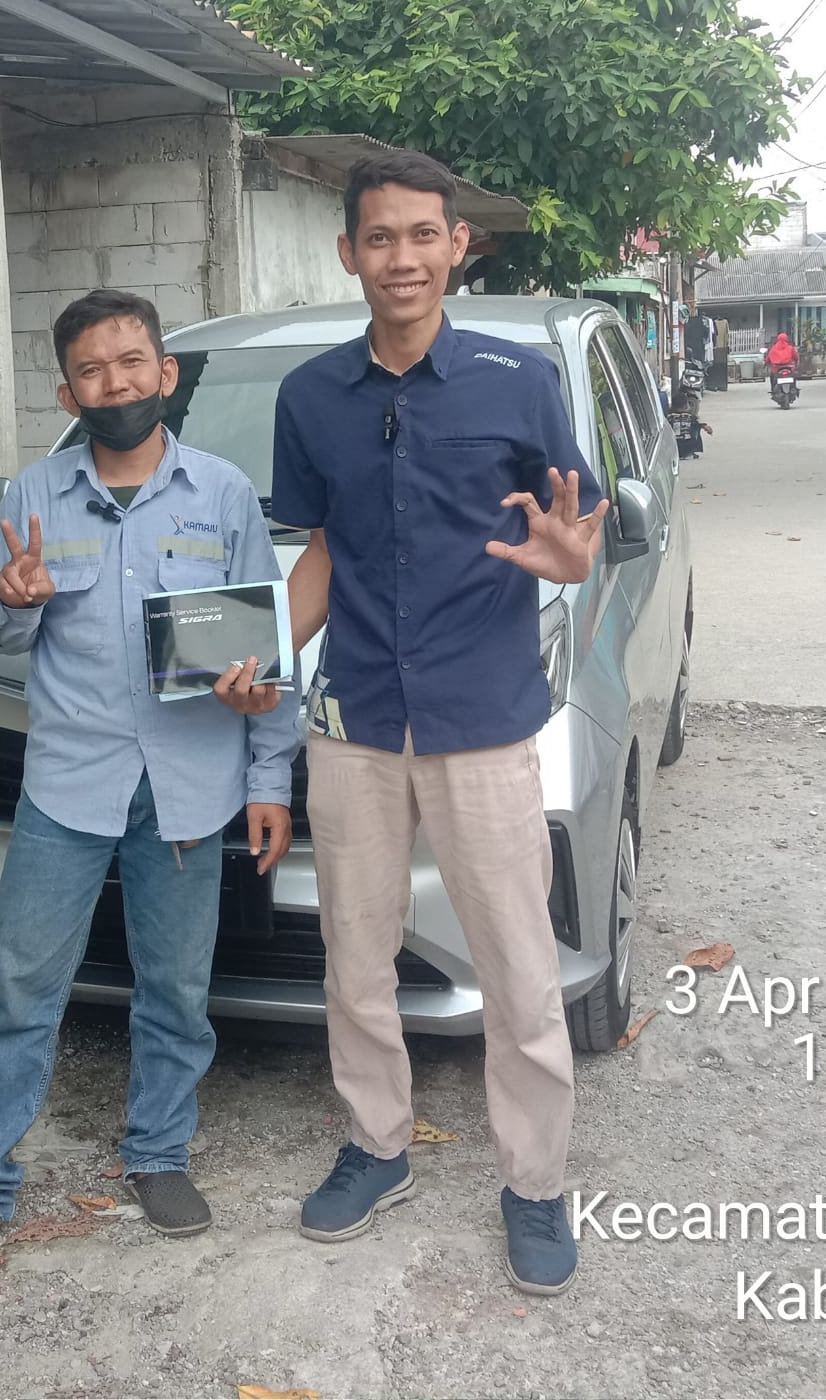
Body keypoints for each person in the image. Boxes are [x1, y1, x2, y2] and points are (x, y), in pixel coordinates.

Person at [233, 150, 608, 1297]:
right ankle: (376, 1144)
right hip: (353, 718)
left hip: (481, 717)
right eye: (379, 237)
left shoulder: (516, 381)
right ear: (349, 252)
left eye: (421, 235)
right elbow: (321, 550)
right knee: (356, 955)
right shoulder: (310, 397)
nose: (401, 257)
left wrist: (568, 558)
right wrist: (263, 652)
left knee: (517, 965)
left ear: (456, 246)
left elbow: (575, 524)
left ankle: (534, 1184)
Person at [0, 290, 299, 1283]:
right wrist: (12, 601)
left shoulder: (222, 495)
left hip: (189, 786)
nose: (115, 384)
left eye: (132, 363)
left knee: (176, 987)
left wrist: (269, 778)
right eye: (92, 370)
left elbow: (267, 654)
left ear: (165, 374)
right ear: (68, 392)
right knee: (20, 989)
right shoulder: (34, 496)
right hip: (69, 787)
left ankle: (159, 1153)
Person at [764, 330, 798, 397]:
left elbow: (768, 358)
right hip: (789, 367)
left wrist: (766, 363)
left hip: (777, 368)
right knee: (793, 377)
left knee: (772, 377)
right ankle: (793, 388)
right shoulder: (790, 348)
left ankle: (773, 390)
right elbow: (795, 357)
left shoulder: (774, 348)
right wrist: (796, 362)